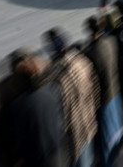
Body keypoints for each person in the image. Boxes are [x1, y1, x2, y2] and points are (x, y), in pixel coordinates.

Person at [42, 28, 101, 167]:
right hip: (88, 120)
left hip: (72, 129)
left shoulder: (53, 74)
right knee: (88, 159)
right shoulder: (81, 60)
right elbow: (95, 87)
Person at [7, 50, 68, 167]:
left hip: (40, 159)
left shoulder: (18, 105)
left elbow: (21, 140)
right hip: (60, 151)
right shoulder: (53, 89)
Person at [83, 17, 123, 167]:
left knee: (105, 139)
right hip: (115, 92)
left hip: (103, 99)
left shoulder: (89, 52)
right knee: (115, 132)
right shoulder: (111, 42)